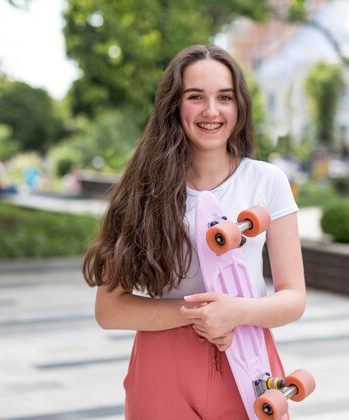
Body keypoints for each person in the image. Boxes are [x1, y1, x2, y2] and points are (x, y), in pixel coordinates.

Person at [82, 44, 306, 419]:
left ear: (239, 106)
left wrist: (236, 312)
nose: (211, 111)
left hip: (247, 357)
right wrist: (199, 316)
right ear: (174, 105)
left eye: (224, 97)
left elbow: (293, 298)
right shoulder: (143, 188)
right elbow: (109, 310)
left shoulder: (267, 181)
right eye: (195, 97)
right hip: (161, 368)